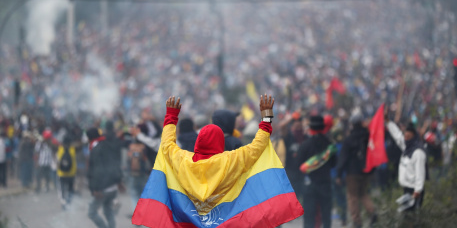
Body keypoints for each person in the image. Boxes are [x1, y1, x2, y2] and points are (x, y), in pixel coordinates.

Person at [132, 95, 304, 227]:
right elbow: (257, 146)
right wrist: (266, 118)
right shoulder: (230, 160)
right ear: (220, 142)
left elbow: (167, 145)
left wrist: (171, 116)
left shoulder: (183, 160)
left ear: (198, 141)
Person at [335, 113, 376, 228]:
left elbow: (343, 157)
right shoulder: (368, 136)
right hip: (366, 171)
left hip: (352, 173)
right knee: (363, 194)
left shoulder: (349, 139)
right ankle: (372, 211)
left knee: (352, 197)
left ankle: (357, 222)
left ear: (352, 124)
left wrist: (339, 174)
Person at [297, 115, 337, 228]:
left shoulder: (305, 145)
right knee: (326, 215)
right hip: (325, 183)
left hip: (310, 184)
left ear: (311, 128)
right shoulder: (330, 145)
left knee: (309, 215)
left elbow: (299, 165)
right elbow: (334, 163)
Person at [86, 127, 125, 228]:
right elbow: (116, 163)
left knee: (91, 212)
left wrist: (95, 189)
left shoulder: (96, 149)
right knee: (108, 210)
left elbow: (95, 170)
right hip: (113, 186)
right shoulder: (109, 145)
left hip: (102, 188)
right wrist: (119, 181)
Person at [386, 120, 427, 212]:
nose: (406, 139)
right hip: (407, 189)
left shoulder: (418, 152)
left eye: (408, 137)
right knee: (406, 216)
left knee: (412, 217)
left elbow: (420, 173)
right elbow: (398, 137)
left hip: (415, 191)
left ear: (413, 138)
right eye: (405, 136)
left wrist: (418, 190)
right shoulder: (407, 148)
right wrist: (388, 122)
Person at [57, 136, 77, 209]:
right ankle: (69, 202)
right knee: (70, 190)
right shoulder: (73, 149)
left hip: (62, 174)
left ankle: (64, 203)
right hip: (71, 174)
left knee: (62, 190)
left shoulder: (60, 149)